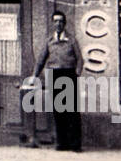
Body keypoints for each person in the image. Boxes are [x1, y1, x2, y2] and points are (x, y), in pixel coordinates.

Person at [34, 10, 84, 152]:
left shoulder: (71, 39)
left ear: (64, 23)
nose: (58, 24)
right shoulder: (49, 41)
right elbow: (40, 60)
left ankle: (75, 144)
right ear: (52, 23)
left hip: (69, 75)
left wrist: (77, 73)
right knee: (58, 111)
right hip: (54, 75)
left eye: (61, 21)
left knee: (72, 111)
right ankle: (62, 143)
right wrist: (34, 76)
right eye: (55, 21)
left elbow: (80, 59)